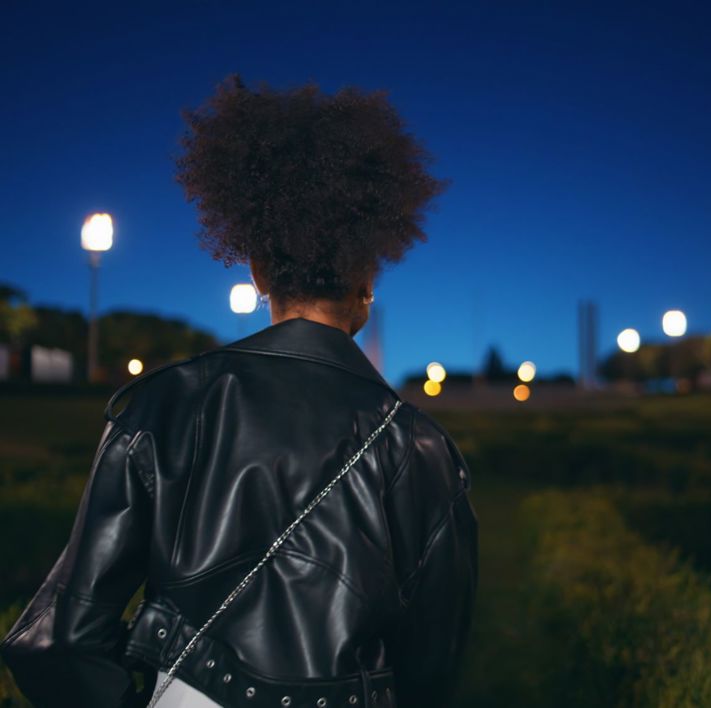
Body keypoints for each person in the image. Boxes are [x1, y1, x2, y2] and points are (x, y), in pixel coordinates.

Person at [0, 74, 478, 708]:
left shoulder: (162, 406)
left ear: (255, 272)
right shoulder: (423, 449)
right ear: (369, 281)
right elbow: (433, 668)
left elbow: (58, 642)